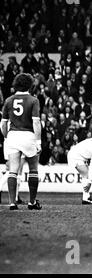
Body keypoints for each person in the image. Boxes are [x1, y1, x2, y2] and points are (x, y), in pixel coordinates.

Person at [0, 73, 42, 210]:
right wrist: (38, 141)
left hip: (13, 135)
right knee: (33, 169)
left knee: (13, 170)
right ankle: (32, 202)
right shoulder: (33, 100)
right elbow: (36, 123)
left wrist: (7, 137)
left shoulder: (8, 100)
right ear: (30, 85)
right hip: (28, 135)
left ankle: (12, 202)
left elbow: (2, 124)